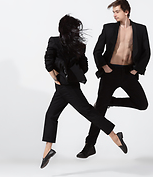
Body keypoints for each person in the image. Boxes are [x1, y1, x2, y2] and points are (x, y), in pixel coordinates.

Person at [40, 15, 127, 169]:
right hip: (64, 87)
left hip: (67, 88)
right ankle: (47, 150)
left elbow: (48, 64)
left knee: (88, 112)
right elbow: (85, 67)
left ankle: (114, 136)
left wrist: (56, 77)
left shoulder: (54, 41)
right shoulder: (79, 45)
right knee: (52, 115)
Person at [77, 0, 151, 158]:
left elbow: (146, 52)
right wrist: (104, 66)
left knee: (142, 103)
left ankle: (112, 101)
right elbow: (97, 51)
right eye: (113, 12)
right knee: (99, 112)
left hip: (128, 72)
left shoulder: (140, 29)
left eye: (117, 11)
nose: (114, 15)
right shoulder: (109, 28)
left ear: (127, 12)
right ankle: (89, 146)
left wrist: (136, 70)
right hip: (110, 73)